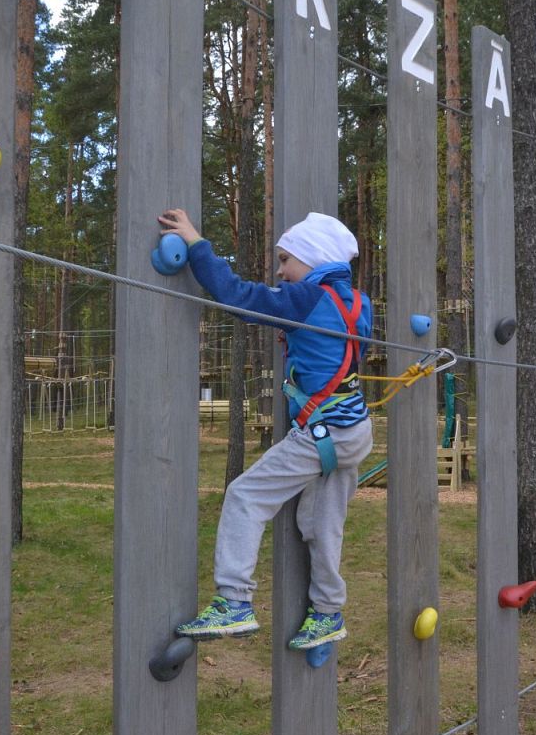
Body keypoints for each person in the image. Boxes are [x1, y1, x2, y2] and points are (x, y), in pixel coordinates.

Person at [157, 208, 374, 651]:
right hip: (355, 432)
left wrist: (198, 245)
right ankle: (329, 612)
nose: (279, 271)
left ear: (311, 261)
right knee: (321, 524)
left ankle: (234, 600)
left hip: (321, 434)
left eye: (285, 260)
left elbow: (239, 296)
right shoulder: (357, 302)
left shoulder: (306, 300)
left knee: (245, 495)